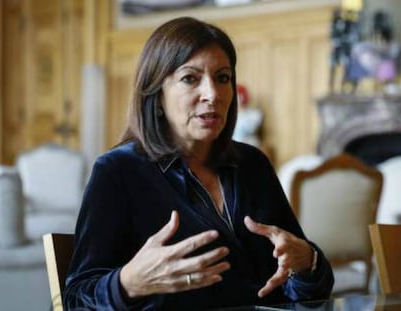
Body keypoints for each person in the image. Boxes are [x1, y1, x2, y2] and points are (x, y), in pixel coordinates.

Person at [64, 16, 334, 310]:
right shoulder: (117, 171)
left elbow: (309, 291)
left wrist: (308, 261)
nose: (213, 94)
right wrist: (128, 283)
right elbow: (77, 300)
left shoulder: (252, 164)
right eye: (190, 78)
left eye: (223, 78)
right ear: (157, 94)